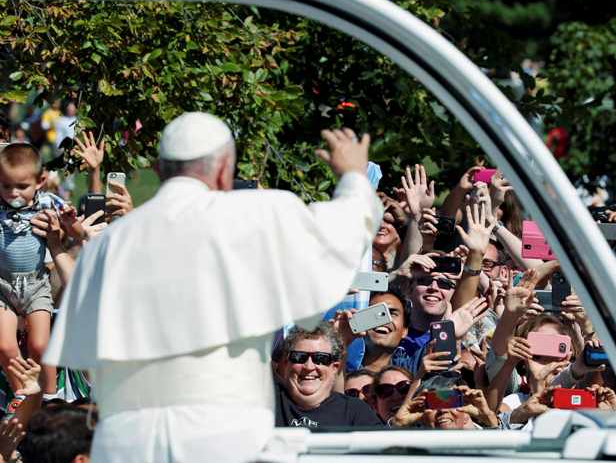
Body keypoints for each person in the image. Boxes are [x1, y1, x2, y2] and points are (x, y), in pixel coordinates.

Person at [43, 113, 383, 462]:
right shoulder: (258, 217)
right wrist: (354, 178)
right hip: (219, 440)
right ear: (224, 170)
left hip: (127, 443)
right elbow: (344, 233)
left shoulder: (106, 244)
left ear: (158, 170)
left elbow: (87, 362)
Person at [0, 144, 64, 397]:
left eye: (21, 186)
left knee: (40, 346)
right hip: (3, 286)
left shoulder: (47, 203)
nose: (13, 193)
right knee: (5, 347)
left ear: (40, 181)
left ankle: (49, 398)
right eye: (6, 186)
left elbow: (72, 223)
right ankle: (23, 396)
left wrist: (68, 221)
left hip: (36, 285)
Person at [274, 325, 381, 429]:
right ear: (286, 364)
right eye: (299, 357)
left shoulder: (355, 412)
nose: (309, 367)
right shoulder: (267, 403)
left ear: (335, 368)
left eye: (320, 358)